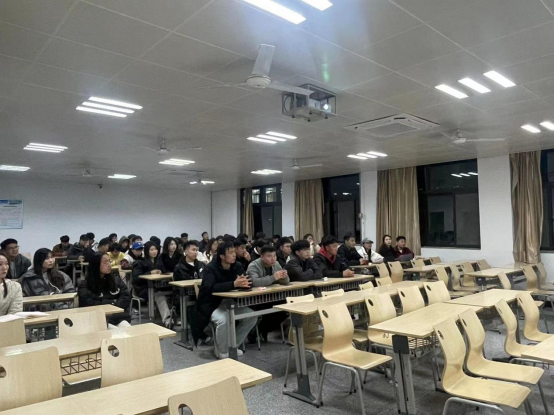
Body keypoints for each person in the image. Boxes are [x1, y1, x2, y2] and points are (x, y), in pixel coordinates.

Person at [196, 241, 257, 359]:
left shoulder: (237, 265)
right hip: (210, 304)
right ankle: (222, 351)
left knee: (251, 316)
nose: (234, 255)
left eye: (234, 252)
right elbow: (211, 287)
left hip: (230, 302)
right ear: (222, 256)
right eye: (230, 253)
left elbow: (247, 281)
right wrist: (234, 284)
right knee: (223, 320)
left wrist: (245, 283)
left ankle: (232, 346)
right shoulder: (210, 268)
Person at [79, 252, 131, 329]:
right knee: (116, 332)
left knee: (129, 330)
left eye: (109, 261)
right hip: (97, 320)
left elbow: (125, 296)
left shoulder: (115, 280)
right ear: (96, 265)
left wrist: (115, 306)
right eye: (105, 262)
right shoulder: (85, 285)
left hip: (117, 317)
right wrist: (111, 303)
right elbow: (87, 303)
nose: (109, 264)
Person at [132, 241, 172, 328]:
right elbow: (136, 278)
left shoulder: (159, 261)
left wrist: (161, 272)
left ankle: (175, 316)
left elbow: (164, 271)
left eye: (155, 249)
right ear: (147, 251)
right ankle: (167, 320)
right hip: (143, 288)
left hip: (158, 286)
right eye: (151, 250)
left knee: (171, 292)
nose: (154, 251)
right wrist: (150, 273)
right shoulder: (139, 262)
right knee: (159, 295)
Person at [0, 252, 23, 316]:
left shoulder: (15, 286)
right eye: (0, 264)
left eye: (7, 264)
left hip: (6, 321)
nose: (5, 268)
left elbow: (15, 312)